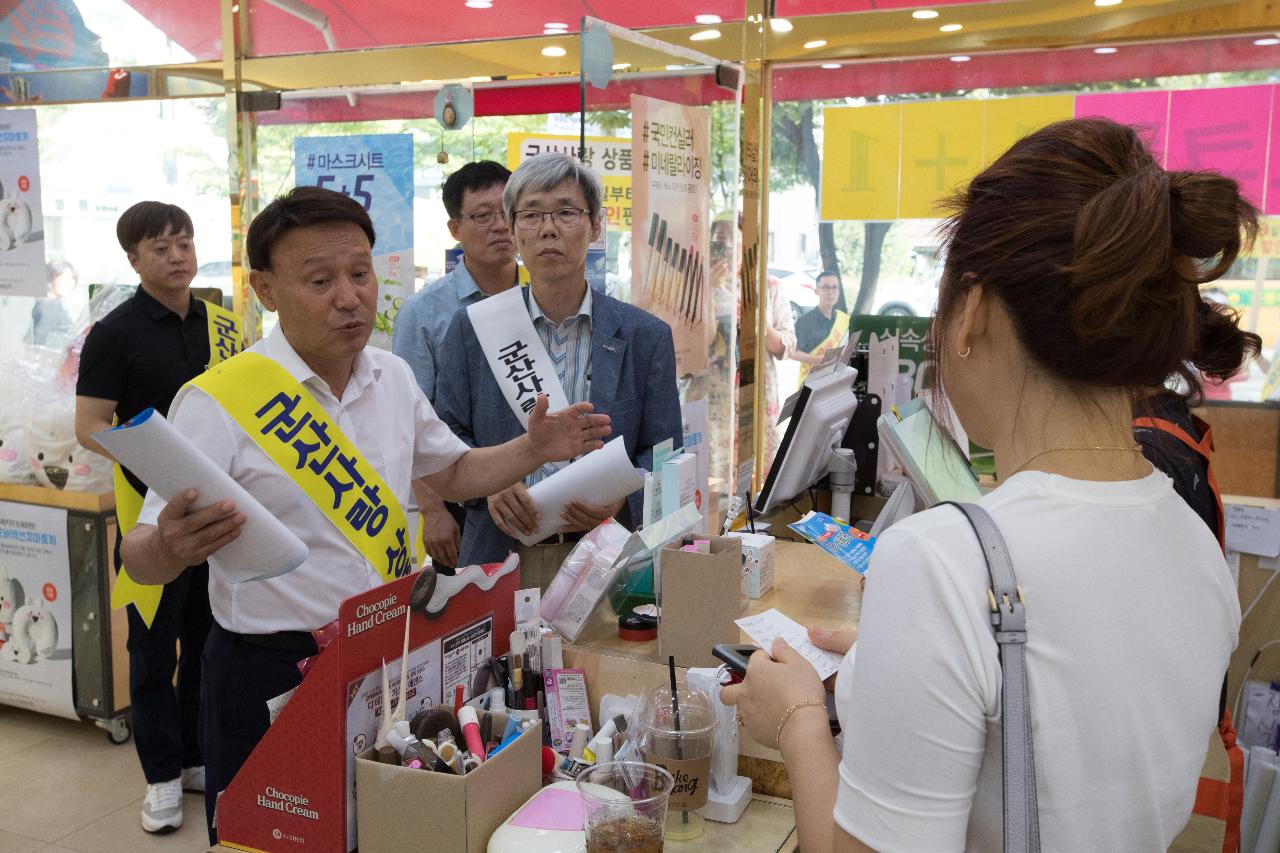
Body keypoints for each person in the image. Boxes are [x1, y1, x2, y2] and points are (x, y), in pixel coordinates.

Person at [722, 117, 1247, 852]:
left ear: (970, 311)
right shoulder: (1197, 549)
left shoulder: (942, 560)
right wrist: (899, 663)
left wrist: (799, 719)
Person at [117, 186, 610, 844]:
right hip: (267, 673)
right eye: (320, 279)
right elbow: (139, 552)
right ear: (265, 289)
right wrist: (172, 548)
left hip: (381, 665)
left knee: (371, 832)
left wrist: (533, 448)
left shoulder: (393, 377)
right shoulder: (219, 401)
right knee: (265, 841)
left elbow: (453, 471)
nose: (350, 297)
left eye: (360, 272)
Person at [435, 152, 681, 583]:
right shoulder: (473, 328)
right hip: (499, 556)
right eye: (531, 214)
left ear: (596, 225)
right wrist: (488, 484)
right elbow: (445, 434)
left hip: (607, 555)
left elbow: (666, 456)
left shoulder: (646, 336)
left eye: (566, 212)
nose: (548, 228)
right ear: (513, 229)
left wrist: (622, 499)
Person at [73, 203, 215, 835]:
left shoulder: (221, 325)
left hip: (218, 516)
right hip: (147, 524)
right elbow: (88, 427)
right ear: (134, 260)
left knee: (211, 645)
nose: (178, 256)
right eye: (161, 247)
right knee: (155, 654)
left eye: (184, 242)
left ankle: (192, 757)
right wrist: (151, 457)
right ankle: (160, 778)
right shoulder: (114, 333)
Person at [392, 161, 518, 571]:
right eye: (483, 215)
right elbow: (409, 419)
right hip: (462, 501)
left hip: (540, 491)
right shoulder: (424, 313)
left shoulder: (545, 296)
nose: (500, 225)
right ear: (455, 229)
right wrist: (433, 510)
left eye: (508, 211)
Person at [793, 270, 850, 382]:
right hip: (811, 381)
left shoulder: (844, 319)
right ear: (816, 291)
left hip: (837, 380)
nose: (831, 292)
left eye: (834, 287)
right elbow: (793, 353)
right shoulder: (805, 321)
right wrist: (818, 360)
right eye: (826, 287)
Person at [30, 260, 78, 346]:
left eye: (71, 279)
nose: (69, 283)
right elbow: (39, 342)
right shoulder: (50, 305)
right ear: (50, 279)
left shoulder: (48, 303)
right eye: (63, 278)